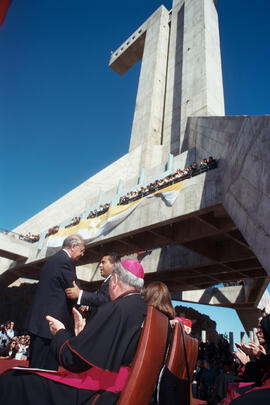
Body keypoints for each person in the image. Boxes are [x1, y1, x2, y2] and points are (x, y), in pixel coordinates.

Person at [0, 259, 146, 405]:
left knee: (13, 379)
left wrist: (60, 332)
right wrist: (82, 335)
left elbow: (72, 360)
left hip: (100, 392)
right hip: (121, 387)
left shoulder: (115, 309)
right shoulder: (142, 308)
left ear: (114, 280)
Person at [25, 234, 85, 370]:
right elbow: (73, 288)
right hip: (49, 327)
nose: (82, 254)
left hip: (41, 325)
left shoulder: (54, 259)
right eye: (82, 250)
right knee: (44, 373)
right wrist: (85, 302)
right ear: (73, 247)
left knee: (36, 368)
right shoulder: (65, 261)